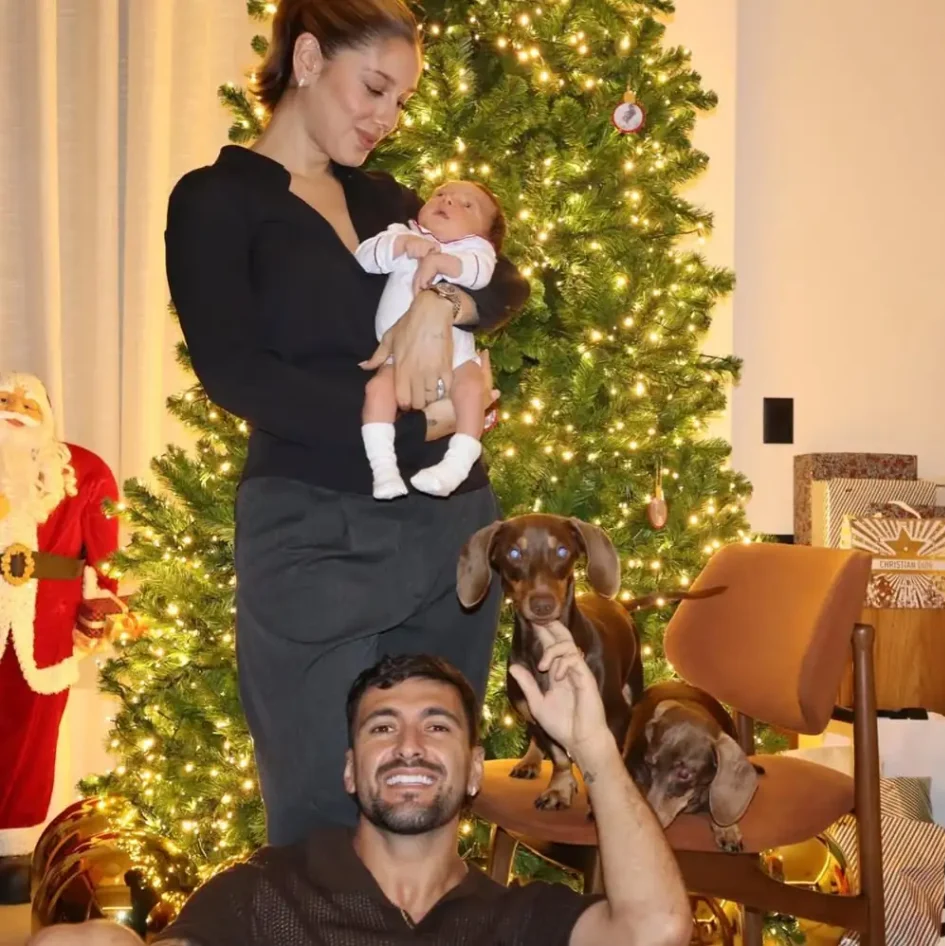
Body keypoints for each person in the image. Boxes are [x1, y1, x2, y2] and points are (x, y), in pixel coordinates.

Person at [162, 0, 530, 848]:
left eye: (401, 100)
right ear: (306, 59)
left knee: (429, 811)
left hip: (449, 530)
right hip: (313, 532)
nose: (387, 117)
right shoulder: (217, 200)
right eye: (374, 88)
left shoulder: (385, 198)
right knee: (320, 823)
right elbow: (236, 374)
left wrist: (440, 305)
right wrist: (416, 422)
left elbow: (504, 281)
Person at [31, 626, 691, 946]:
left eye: (437, 726)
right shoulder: (265, 893)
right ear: (351, 770)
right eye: (382, 727)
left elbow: (657, 929)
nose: (409, 744)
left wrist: (595, 751)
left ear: (472, 770)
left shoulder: (518, 919)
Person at [0, 372, 124, 904]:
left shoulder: (83, 471)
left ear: (47, 413)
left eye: (28, 402)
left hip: (43, 628)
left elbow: (104, 552)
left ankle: (13, 849)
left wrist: (100, 603)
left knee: (30, 738)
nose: (15, 408)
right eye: (4, 399)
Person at [356, 179, 506, 500]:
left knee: (472, 389)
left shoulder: (474, 250)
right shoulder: (403, 233)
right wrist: (401, 245)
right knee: (376, 391)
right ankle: (383, 468)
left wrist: (442, 262)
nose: (448, 201)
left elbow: (480, 273)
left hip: (457, 357)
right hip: (398, 355)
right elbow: (363, 258)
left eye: (467, 205)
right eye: (441, 194)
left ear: (484, 234)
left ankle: (457, 464)